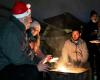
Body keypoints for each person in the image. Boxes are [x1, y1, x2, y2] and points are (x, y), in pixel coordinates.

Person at [0, 1, 49, 80]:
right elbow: (18, 59)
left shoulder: (20, 31)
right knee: (32, 73)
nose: (30, 20)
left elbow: (27, 52)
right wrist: (35, 67)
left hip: (12, 67)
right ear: (23, 18)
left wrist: (39, 61)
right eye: (29, 17)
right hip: (5, 69)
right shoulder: (11, 31)